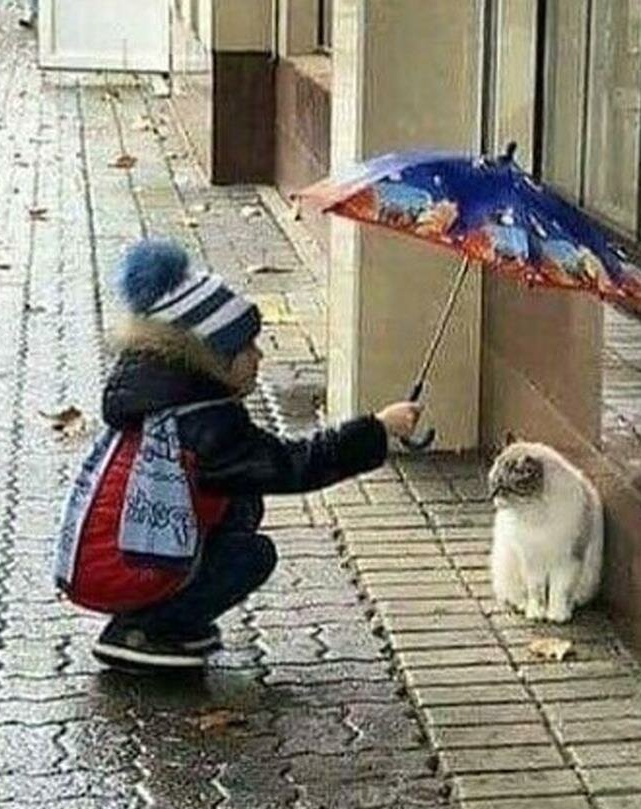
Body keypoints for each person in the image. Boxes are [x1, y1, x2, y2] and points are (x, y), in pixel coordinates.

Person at [55, 238, 420, 672]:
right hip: (120, 568)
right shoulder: (203, 426)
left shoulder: (164, 405)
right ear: (214, 357)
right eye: (248, 348)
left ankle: (159, 617)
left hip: (101, 561)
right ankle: (147, 628)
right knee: (252, 555)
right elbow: (293, 464)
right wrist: (378, 429)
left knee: (240, 501)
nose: (259, 357)